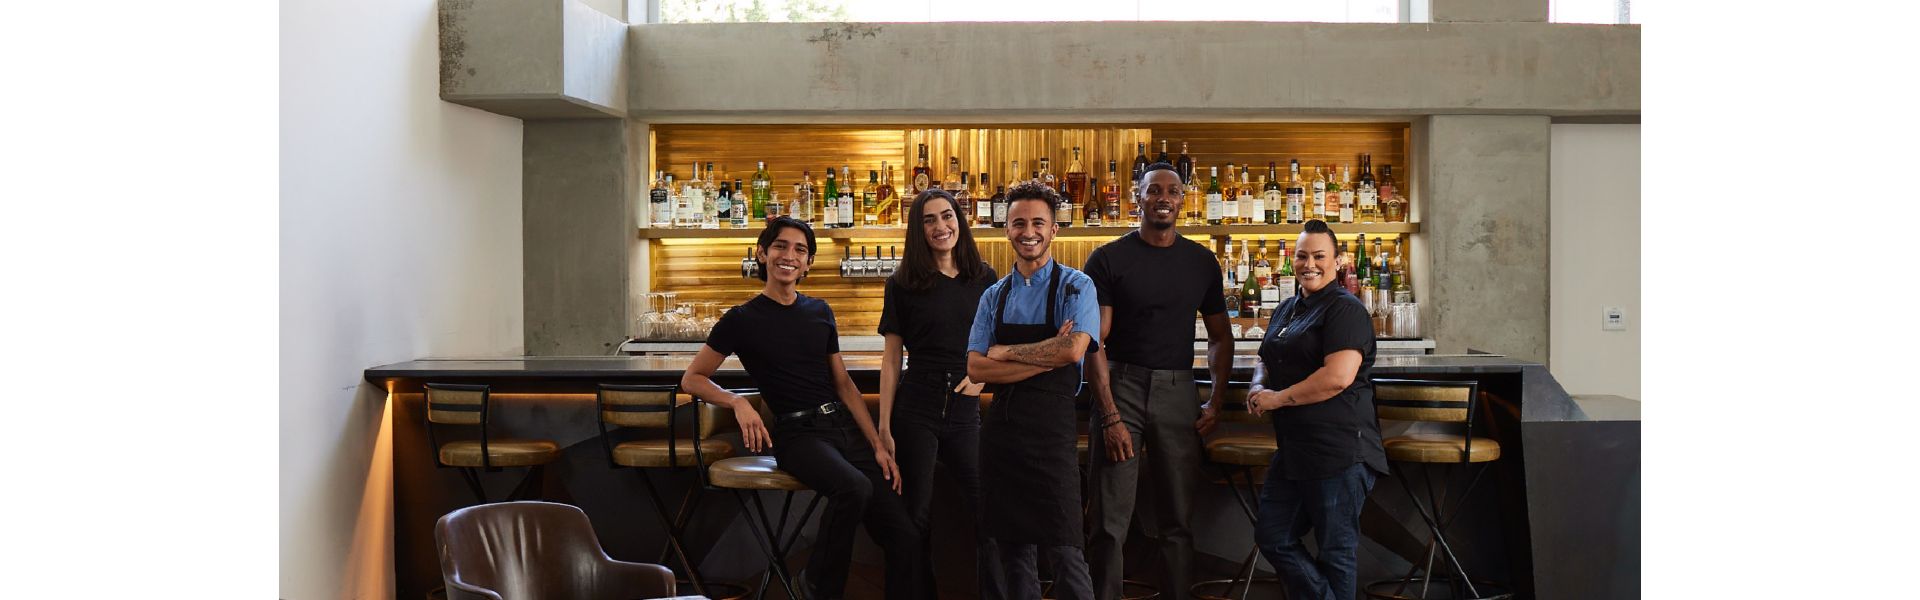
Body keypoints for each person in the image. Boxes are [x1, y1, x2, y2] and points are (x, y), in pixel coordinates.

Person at [680, 216, 920, 600]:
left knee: (904, 534)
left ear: (808, 263)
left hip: (844, 429)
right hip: (798, 436)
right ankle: (813, 587)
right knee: (853, 488)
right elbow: (692, 378)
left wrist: (876, 442)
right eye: (780, 246)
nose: (789, 255)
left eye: (800, 250)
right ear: (762, 253)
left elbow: (843, 383)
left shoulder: (819, 311)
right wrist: (737, 401)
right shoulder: (741, 319)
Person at [1081, 162, 1233, 600]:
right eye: (1154, 190)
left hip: (1178, 389)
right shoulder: (1108, 258)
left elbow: (1220, 336)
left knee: (1179, 522)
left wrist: (1216, 401)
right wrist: (1108, 413)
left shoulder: (1202, 261)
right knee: (1109, 521)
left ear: (1183, 200)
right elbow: (1095, 342)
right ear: (1138, 198)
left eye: (1172, 191)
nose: (1163, 197)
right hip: (1121, 388)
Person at [966, 181, 1103, 600]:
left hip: (1052, 436)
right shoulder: (994, 295)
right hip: (1003, 437)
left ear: (1054, 229)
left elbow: (1074, 349)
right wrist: (1046, 355)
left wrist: (1005, 353)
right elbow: (975, 367)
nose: (1029, 231)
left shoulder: (1076, 286)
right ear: (1006, 230)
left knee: (1066, 549)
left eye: (1038, 222)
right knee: (1011, 551)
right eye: (1019, 223)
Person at [1246, 219, 1390, 600]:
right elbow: (1264, 357)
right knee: (1273, 536)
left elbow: (1338, 378)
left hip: (1339, 450)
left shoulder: (1345, 310)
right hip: (1295, 448)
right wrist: (1259, 384)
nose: (1310, 264)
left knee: (1335, 552)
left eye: (1319, 256)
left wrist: (1277, 398)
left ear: (1338, 261)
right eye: (1302, 256)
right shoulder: (1289, 308)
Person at [876, 189, 1004, 598]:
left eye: (947, 216)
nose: (940, 226)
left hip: (965, 406)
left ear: (960, 221)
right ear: (919, 229)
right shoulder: (903, 283)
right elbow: (893, 358)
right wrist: (883, 426)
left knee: (988, 507)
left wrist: (984, 379)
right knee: (916, 515)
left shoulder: (984, 277)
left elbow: (999, 343)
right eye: (929, 220)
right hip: (916, 404)